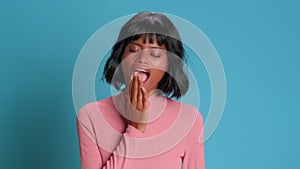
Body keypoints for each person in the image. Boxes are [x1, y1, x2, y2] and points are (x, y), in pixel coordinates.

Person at [76, 12, 205, 169]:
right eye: (133, 49)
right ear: (120, 57)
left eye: (155, 53)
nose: (142, 59)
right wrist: (136, 129)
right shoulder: (90, 116)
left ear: (169, 65)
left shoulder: (189, 119)